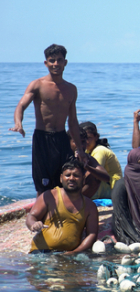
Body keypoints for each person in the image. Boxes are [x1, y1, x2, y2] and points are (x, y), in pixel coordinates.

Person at [11, 44, 88, 195]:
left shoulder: (71, 89)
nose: (56, 64)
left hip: (62, 138)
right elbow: (21, 105)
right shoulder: (37, 85)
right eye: (52, 60)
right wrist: (18, 123)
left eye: (59, 60)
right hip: (42, 138)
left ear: (65, 62)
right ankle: (41, 214)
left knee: (68, 178)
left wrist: (79, 148)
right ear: (46, 63)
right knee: (43, 184)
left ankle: (67, 212)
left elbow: (72, 121)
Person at [28, 159, 98, 253]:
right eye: (68, 175)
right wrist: (33, 224)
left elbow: (92, 235)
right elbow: (32, 217)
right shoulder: (49, 196)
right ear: (61, 178)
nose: (71, 178)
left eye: (76, 175)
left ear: (83, 179)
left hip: (70, 255)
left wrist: (74, 253)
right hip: (42, 253)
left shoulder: (90, 206)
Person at [79, 121, 123, 199]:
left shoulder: (100, 150)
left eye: (89, 137)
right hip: (106, 187)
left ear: (96, 137)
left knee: (92, 177)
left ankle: (78, 199)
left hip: (112, 189)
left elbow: (93, 175)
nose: (86, 142)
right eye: (83, 139)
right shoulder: (88, 151)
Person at [67, 128, 111, 199]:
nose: (80, 145)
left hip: (78, 194)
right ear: (68, 142)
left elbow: (106, 178)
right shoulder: (63, 157)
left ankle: (78, 202)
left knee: (94, 176)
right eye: (76, 142)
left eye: (83, 142)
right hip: (62, 191)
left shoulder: (87, 158)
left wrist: (86, 166)